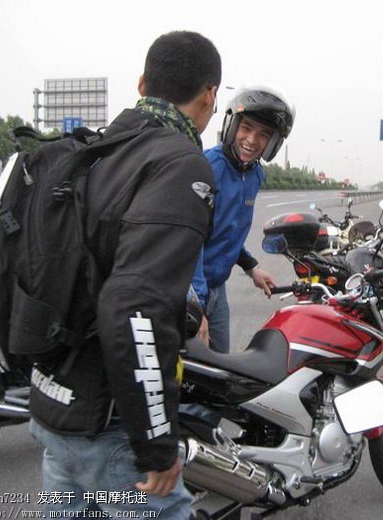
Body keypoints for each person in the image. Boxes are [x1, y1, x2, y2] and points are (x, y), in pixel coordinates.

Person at [28, 31, 221, 519]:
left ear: (141, 84)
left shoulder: (97, 152)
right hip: (109, 432)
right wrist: (157, 445)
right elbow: (135, 306)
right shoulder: (179, 163)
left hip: (54, 410)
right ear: (210, 96)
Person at [191, 85, 295, 352]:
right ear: (232, 125)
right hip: (191, 288)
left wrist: (251, 268)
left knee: (220, 369)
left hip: (217, 289)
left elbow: (228, 232)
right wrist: (194, 306)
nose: (251, 139)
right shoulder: (206, 167)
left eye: (264, 134)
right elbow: (189, 241)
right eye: (246, 127)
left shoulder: (254, 175)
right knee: (189, 372)